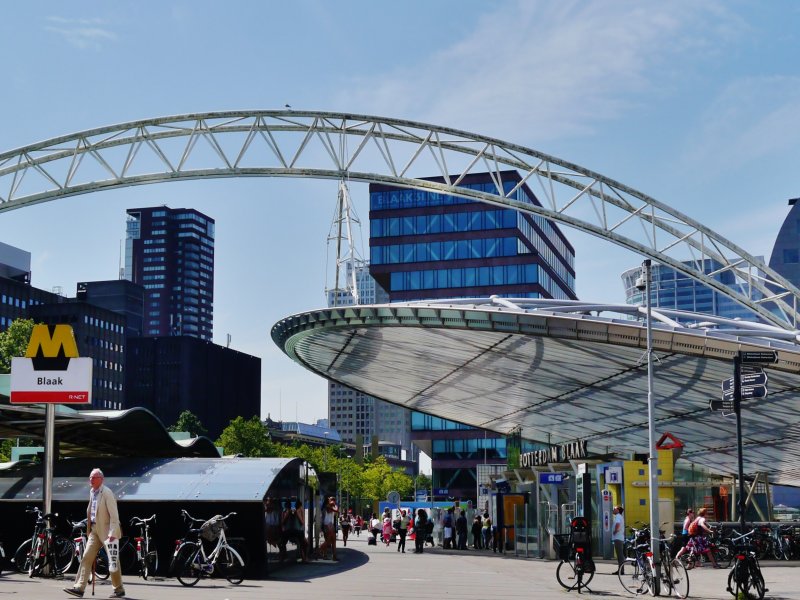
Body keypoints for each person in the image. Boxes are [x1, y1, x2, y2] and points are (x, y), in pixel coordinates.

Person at [64, 468, 125, 598]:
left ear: (101, 479)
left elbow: (114, 515)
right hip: (94, 530)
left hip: (108, 531)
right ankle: (79, 588)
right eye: (90, 477)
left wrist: (113, 532)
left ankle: (118, 589)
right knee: (86, 558)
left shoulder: (107, 493)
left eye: (94, 477)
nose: (91, 480)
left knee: (113, 560)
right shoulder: (92, 492)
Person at [318, 496, 339, 561]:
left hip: (330, 525)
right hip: (327, 525)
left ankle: (328, 555)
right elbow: (336, 510)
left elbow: (335, 512)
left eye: (334, 499)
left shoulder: (330, 506)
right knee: (328, 541)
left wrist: (334, 505)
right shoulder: (327, 506)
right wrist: (335, 505)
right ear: (328, 501)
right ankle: (319, 550)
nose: (333, 501)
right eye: (332, 499)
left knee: (332, 541)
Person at [612, 505, 625, 572]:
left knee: (620, 555)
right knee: (620, 555)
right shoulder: (620, 517)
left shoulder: (617, 516)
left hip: (618, 538)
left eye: (614, 508)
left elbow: (618, 524)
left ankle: (621, 570)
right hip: (619, 538)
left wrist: (615, 531)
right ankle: (621, 570)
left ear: (617, 510)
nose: (613, 510)